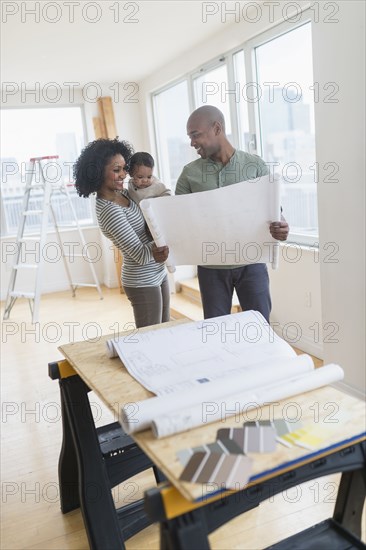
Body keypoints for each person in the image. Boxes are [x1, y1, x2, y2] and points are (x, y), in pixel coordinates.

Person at [175, 105, 289, 323]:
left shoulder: (254, 165)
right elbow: (179, 222)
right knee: (217, 332)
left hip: (252, 265)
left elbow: (275, 212)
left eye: (195, 135)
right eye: (189, 137)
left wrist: (281, 227)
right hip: (211, 269)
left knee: (259, 328)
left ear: (216, 128)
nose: (192, 143)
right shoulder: (189, 174)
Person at [74, 138, 170, 328]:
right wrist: (164, 238)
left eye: (124, 169)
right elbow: (141, 256)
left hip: (158, 271)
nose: (124, 175)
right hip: (142, 280)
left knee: (164, 331)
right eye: (116, 170)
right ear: (97, 172)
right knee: (150, 337)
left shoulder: (124, 194)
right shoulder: (109, 210)